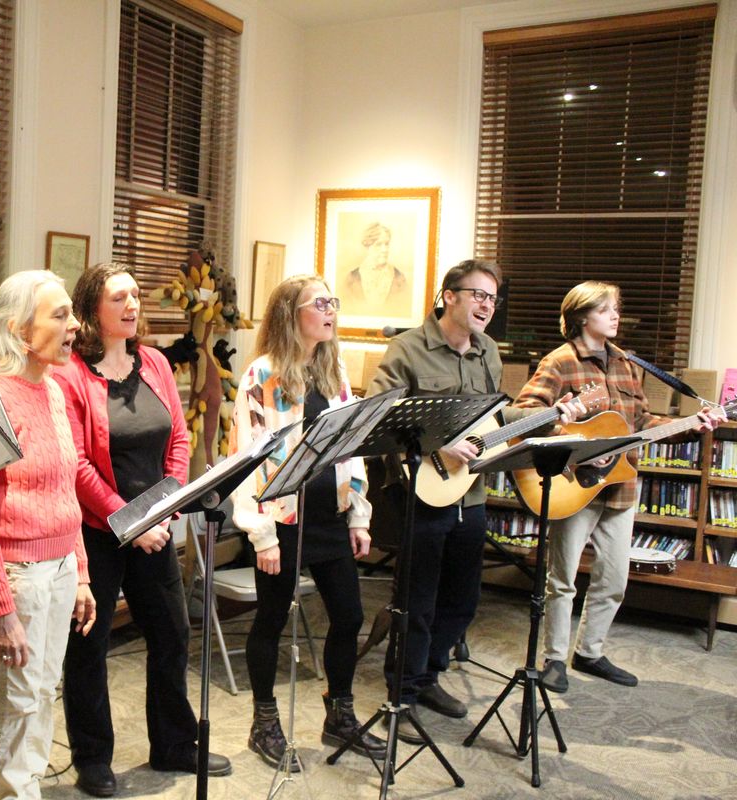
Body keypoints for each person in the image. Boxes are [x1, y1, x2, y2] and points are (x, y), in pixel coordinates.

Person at [365, 259, 582, 743]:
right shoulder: (408, 349)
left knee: (463, 600)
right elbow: (380, 417)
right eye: (478, 294)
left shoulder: (487, 351)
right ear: (449, 296)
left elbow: (493, 417)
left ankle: (430, 676)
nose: (487, 305)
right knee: (416, 601)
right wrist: (435, 444)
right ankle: (402, 691)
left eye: (492, 297)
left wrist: (550, 417)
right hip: (423, 492)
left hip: (472, 490)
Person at [53, 263, 231, 797]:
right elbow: (77, 464)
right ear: (91, 309)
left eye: (134, 295)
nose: (131, 306)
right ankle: (93, 759)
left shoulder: (152, 361)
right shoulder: (70, 376)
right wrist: (130, 522)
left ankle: (174, 743)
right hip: (97, 534)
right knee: (88, 650)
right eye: (117, 298)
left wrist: (164, 504)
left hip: (154, 524)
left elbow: (177, 437)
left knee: (172, 635)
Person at [513, 281, 725, 693]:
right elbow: (528, 415)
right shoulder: (559, 362)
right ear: (581, 316)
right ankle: (554, 657)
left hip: (622, 487)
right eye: (607, 309)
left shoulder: (626, 363)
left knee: (614, 579)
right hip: (576, 485)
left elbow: (642, 423)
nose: (616, 316)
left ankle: (589, 652)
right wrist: (575, 437)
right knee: (563, 580)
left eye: (616, 308)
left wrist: (689, 428)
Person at [230, 275, 386, 768]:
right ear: (289, 314)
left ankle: (338, 714)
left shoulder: (332, 370)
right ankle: (265, 723)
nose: (330, 310)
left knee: (349, 616)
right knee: (272, 621)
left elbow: (350, 445)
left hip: (330, 516)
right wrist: (262, 535)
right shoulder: (261, 375)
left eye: (332, 302)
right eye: (320, 303)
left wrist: (359, 515)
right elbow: (247, 460)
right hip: (282, 520)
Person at [0, 270, 98, 800]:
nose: (74, 326)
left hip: (60, 570)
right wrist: (2, 610)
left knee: (41, 692)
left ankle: (22, 787)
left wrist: (80, 573)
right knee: (17, 698)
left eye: (72, 313)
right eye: (60, 315)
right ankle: (8, 791)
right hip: (20, 578)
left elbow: (66, 491)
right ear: (19, 332)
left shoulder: (55, 390)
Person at [342, 222, 410, 318]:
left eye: (386, 244)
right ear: (367, 246)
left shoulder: (399, 279)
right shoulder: (352, 279)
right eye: (379, 244)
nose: (384, 249)